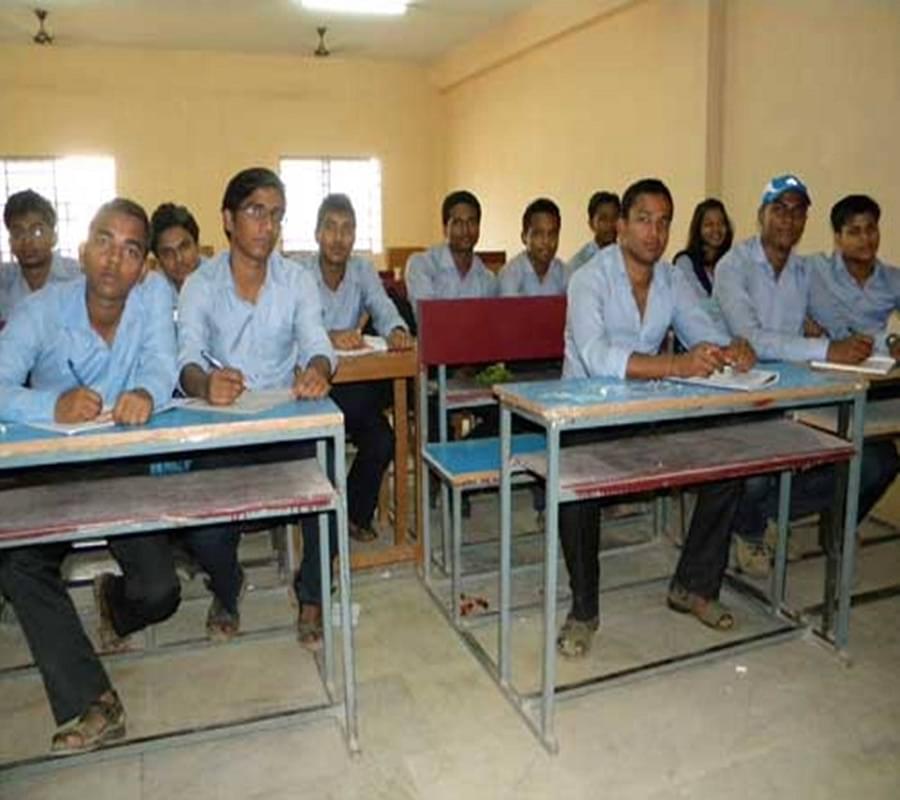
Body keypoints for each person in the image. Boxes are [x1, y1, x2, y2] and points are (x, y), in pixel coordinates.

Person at [0, 198, 180, 754]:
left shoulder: (152, 299)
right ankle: (92, 700)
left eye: (130, 250)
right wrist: (50, 406)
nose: (113, 259)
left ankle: (112, 603)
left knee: (161, 592)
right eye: (104, 241)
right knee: (19, 562)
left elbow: (162, 364)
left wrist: (146, 391)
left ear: (143, 266)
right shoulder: (40, 310)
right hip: (48, 462)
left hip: (117, 461)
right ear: (81, 250)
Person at [558, 178, 756, 658]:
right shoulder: (589, 278)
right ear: (621, 227)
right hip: (586, 411)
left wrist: (731, 349)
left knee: (727, 455)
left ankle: (693, 585)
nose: (655, 232)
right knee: (574, 480)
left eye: (664, 222)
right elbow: (596, 355)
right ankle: (583, 611)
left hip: (648, 406)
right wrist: (676, 365)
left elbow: (701, 329)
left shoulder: (671, 279)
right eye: (644, 220)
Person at [177, 167, 335, 646]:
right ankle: (227, 587)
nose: (268, 226)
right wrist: (205, 384)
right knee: (203, 529)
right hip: (224, 426)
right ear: (228, 219)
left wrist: (318, 370)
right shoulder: (200, 285)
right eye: (255, 212)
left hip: (285, 420)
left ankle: (312, 595)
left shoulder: (297, 280)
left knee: (330, 488)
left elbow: (318, 344)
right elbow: (186, 359)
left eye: (277, 215)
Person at [714, 175, 898, 577]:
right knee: (758, 473)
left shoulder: (803, 271)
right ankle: (748, 528)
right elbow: (753, 339)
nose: (788, 219)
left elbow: (841, 326)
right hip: (736, 396)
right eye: (779, 209)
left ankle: (770, 515)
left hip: (796, 396)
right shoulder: (734, 266)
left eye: (798, 211)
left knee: (876, 460)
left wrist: (884, 346)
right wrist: (827, 348)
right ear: (761, 215)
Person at [304, 193, 412, 542]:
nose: (339, 238)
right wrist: (328, 337)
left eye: (347, 229)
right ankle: (321, 527)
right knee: (326, 447)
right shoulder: (298, 273)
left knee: (383, 439)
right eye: (330, 228)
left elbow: (382, 305)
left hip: (351, 381)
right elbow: (291, 328)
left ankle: (351, 515)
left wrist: (396, 330)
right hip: (311, 384)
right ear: (317, 233)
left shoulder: (362, 270)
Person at [808, 194, 900, 358]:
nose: (865, 239)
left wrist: (893, 342)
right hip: (822, 363)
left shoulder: (894, 280)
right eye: (854, 232)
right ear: (838, 238)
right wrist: (803, 321)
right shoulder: (816, 270)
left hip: (875, 364)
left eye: (871, 229)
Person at [405, 190, 498, 314]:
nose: (465, 230)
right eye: (457, 223)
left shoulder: (487, 279)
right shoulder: (422, 265)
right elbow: (429, 318)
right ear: (445, 229)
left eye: (471, 222)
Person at [1, 189, 81, 324]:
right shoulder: (4, 282)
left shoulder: (78, 279)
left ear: (54, 237)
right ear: (10, 242)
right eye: (18, 233)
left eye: (37, 232)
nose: (27, 241)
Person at [499, 197, 567, 297]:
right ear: (524, 237)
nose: (546, 241)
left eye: (552, 234)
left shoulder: (565, 273)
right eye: (538, 234)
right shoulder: (510, 274)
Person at [672, 198, 734, 301]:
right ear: (698, 228)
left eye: (721, 223)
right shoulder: (685, 262)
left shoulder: (732, 263)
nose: (716, 229)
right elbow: (696, 302)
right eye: (709, 224)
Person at [149, 202, 203, 311]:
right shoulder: (151, 294)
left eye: (184, 247)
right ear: (158, 261)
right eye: (168, 253)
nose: (179, 259)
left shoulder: (222, 283)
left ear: (197, 246)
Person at [566, 190, 620, 274]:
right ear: (591, 224)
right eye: (603, 219)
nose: (610, 224)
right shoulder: (579, 264)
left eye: (615, 217)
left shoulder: (628, 257)